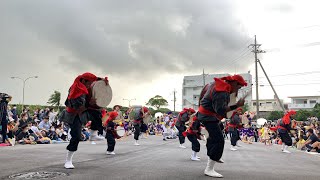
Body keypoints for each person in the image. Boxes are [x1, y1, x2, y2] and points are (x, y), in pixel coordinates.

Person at [197, 74, 247, 178]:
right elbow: (221, 111)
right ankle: (209, 168)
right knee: (219, 140)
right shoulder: (222, 91)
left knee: (217, 131)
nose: (239, 89)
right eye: (239, 87)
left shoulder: (217, 84)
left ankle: (214, 155)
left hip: (207, 114)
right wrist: (237, 105)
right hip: (208, 116)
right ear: (234, 83)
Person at [60, 72, 109, 169]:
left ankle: (93, 135)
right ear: (83, 81)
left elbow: (95, 79)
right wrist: (89, 103)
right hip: (74, 114)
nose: (90, 85)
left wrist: (103, 80)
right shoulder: (76, 90)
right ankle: (68, 160)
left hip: (83, 111)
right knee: (76, 137)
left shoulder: (83, 81)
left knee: (98, 111)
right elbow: (79, 107)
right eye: (89, 83)